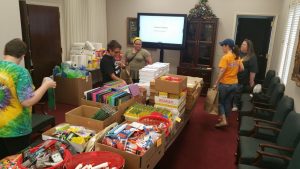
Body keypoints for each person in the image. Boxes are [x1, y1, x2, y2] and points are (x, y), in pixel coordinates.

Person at [0, 38, 56, 159]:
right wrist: (45, 85)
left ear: (5, 51)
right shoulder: (20, 72)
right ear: (23, 55)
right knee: (18, 161)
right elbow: (27, 101)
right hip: (16, 130)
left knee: (3, 161)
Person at [213, 39, 244, 128]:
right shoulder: (237, 56)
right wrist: (233, 72)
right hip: (234, 84)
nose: (222, 47)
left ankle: (223, 121)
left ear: (227, 46)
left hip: (225, 84)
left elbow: (222, 71)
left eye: (223, 45)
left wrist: (216, 83)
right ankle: (225, 118)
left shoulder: (225, 57)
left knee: (220, 102)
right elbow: (242, 68)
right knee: (228, 102)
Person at [232, 39, 258, 111]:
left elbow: (253, 71)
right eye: (242, 44)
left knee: (238, 89)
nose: (242, 45)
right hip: (232, 76)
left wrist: (251, 81)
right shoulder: (238, 52)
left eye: (244, 44)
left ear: (248, 47)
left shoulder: (252, 56)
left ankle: (235, 104)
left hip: (243, 78)